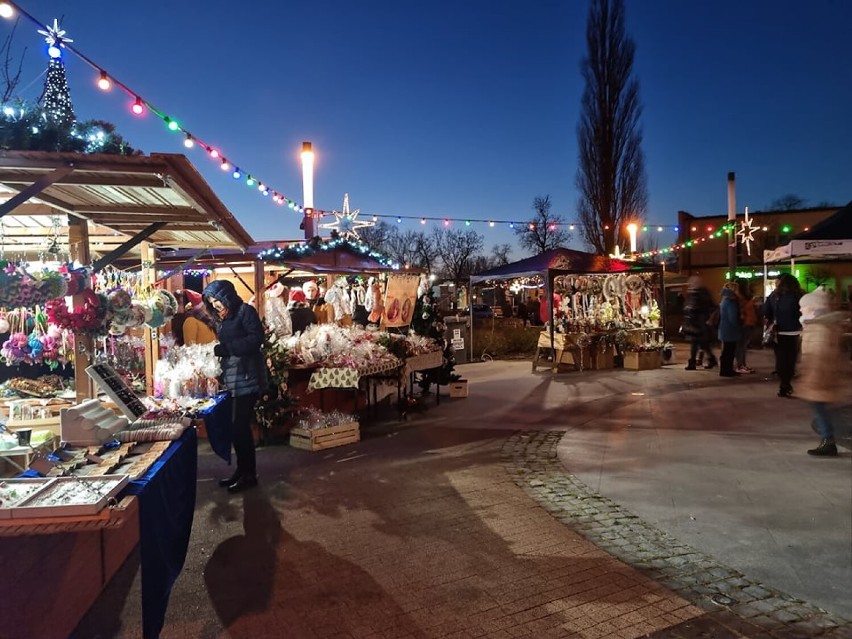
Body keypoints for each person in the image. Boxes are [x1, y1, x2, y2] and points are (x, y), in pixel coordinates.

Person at [202, 280, 267, 493]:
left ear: (226, 296)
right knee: (237, 428)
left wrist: (227, 348)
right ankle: (243, 471)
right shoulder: (223, 317)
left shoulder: (244, 311)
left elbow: (256, 338)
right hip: (233, 377)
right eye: (211, 301)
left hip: (248, 376)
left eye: (217, 300)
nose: (215, 304)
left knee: (240, 427)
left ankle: (249, 474)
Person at [796, 287, 850, 456]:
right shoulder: (817, 325)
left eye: (803, 307)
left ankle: (828, 440)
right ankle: (828, 439)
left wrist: (812, 377)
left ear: (813, 308)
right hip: (818, 375)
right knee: (820, 408)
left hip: (819, 376)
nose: (800, 309)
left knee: (820, 408)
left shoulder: (820, 328)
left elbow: (820, 356)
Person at [763, 273, 802, 398]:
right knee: (790, 359)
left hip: (777, 332)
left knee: (780, 358)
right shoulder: (799, 295)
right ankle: (786, 383)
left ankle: (783, 383)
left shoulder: (774, 296)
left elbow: (765, 312)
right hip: (794, 332)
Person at [681, 275, 717, 370]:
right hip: (698, 323)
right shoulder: (697, 294)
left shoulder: (699, 294)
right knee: (700, 344)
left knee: (699, 343)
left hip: (700, 323)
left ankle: (695, 362)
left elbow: (704, 307)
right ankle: (709, 360)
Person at [717, 282, 742, 377]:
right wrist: (738, 325)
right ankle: (727, 370)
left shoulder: (724, 300)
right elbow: (733, 318)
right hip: (730, 330)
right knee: (729, 352)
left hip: (724, 328)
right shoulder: (731, 302)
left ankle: (725, 370)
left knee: (726, 351)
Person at [734, 279, 758, 373]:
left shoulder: (744, 296)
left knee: (743, 345)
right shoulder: (739, 296)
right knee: (741, 346)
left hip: (749, 322)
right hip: (744, 323)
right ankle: (740, 365)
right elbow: (742, 309)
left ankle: (742, 364)